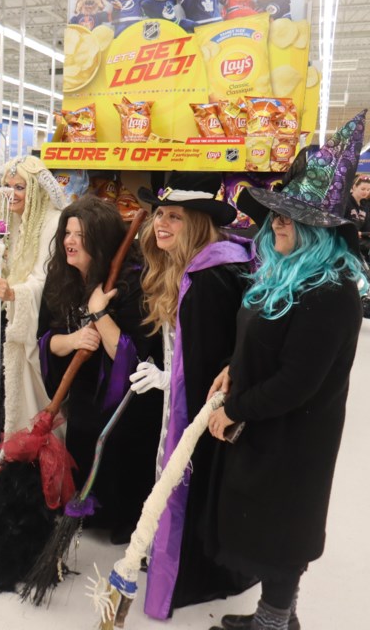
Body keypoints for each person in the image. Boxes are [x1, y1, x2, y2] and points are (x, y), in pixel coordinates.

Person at [206, 112, 367, 630]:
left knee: (280, 527)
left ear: (320, 232)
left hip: (294, 433)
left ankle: (274, 622)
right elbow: (260, 337)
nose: (277, 224)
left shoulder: (330, 293)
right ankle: (275, 616)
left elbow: (298, 383)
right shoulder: (285, 275)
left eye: (290, 219)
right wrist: (233, 368)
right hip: (265, 422)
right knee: (267, 521)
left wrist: (235, 411)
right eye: (276, 216)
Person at [133, 172, 257, 619]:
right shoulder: (189, 268)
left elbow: (209, 365)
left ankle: (187, 572)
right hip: (181, 404)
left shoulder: (208, 279)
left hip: (203, 412)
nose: (160, 223)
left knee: (193, 479)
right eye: (159, 214)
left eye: (174, 217)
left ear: (200, 224)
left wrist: (171, 382)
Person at [37, 196, 162, 543]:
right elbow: (46, 341)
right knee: (83, 441)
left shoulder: (134, 282)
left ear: (102, 240)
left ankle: (126, 516)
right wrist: (74, 339)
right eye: (68, 232)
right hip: (83, 393)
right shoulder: (61, 277)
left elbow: (134, 358)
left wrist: (99, 314)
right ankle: (89, 507)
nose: (70, 241)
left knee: (120, 451)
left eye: (81, 234)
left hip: (125, 401)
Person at [0, 155, 69, 435]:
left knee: (38, 396)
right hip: (15, 317)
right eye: (8, 186)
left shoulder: (53, 222)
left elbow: (44, 279)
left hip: (43, 321)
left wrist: (14, 293)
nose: (12, 194)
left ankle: (38, 459)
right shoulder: (13, 221)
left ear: (35, 189)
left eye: (20, 187)